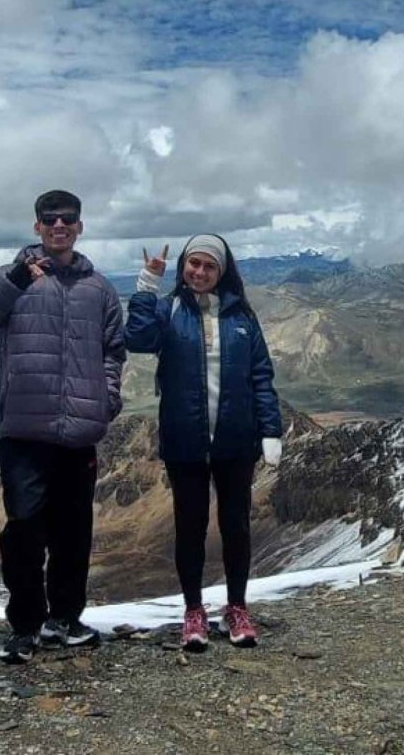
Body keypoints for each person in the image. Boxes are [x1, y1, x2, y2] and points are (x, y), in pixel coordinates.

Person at [0, 189, 125, 664]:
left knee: (74, 531)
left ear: (79, 226)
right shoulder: (10, 278)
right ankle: (24, 625)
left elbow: (113, 349)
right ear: (37, 227)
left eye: (67, 219)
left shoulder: (99, 288)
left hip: (79, 433)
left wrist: (107, 399)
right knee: (25, 529)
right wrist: (11, 284)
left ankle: (65, 619)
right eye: (50, 220)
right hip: (25, 432)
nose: (59, 226)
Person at [125, 234, 282, 651]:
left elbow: (261, 376)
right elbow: (137, 339)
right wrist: (146, 285)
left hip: (235, 439)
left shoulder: (242, 318)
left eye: (209, 266)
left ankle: (237, 607)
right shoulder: (168, 309)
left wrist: (270, 429)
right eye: (193, 264)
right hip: (185, 439)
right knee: (189, 527)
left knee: (236, 527)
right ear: (183, 268)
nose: (199, 272)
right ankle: (193, 611)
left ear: (223, 271)